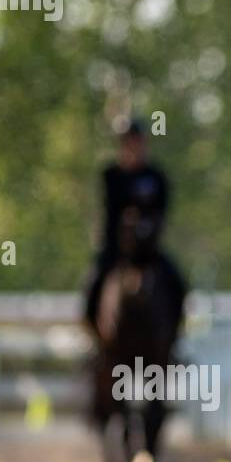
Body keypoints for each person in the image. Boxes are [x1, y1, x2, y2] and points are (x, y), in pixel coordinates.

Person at [82, 118, 182, 333]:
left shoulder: (156, 176)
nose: (134, 147)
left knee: (177, 283)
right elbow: (109, 212)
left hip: (149, 250)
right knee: (93, 285)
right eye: (129, 142)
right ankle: (95, 343)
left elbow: (162, 213)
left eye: (138, 141)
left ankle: (172, 344)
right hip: (116, 249)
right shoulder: (112, 175)